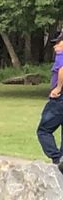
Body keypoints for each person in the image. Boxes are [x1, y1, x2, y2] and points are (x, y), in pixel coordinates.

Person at [40, 26, 63, 173]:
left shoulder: (61, 55)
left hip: (59, 99)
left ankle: (56, 158)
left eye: (57, 42)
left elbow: (62, 69)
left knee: (43, 130)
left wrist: (58, 88)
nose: (55, 46)